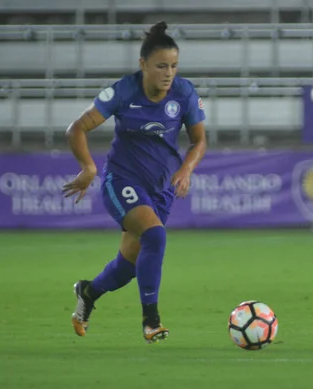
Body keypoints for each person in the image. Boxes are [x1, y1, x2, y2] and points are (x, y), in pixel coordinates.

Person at [62, 21, 207, 343]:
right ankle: (150, 321)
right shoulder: (123, 91)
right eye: (161, 66)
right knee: (155, 236)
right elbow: (76, 129)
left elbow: (199, 141)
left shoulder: (184, 93)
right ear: (143, 65)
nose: (168, 73)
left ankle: (88, 292)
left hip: (161, 187)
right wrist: (87, 167)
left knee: (127, 267)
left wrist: (185, 171)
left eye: (173, 66)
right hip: (122, 180)